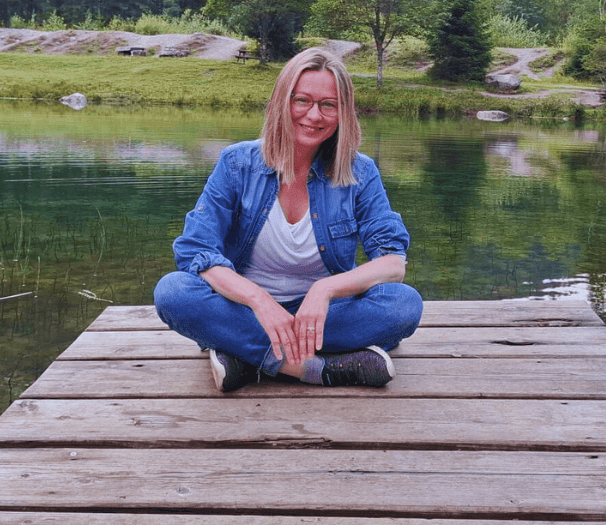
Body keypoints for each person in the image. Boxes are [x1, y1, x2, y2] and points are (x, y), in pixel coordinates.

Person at [153, 47, 423, 392]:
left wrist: (324, 291)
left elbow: (392, 264)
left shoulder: (361, 172)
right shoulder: (237, 163)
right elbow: (196, 251)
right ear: (283, 101)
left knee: (403, 304)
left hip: (325, 315)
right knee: (174, 292)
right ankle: (318, 369)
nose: (314, 115)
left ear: (343, 113)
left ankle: (246, 356)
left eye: (329, 104)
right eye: (302, 101)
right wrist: (259, 301)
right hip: (247, 308)